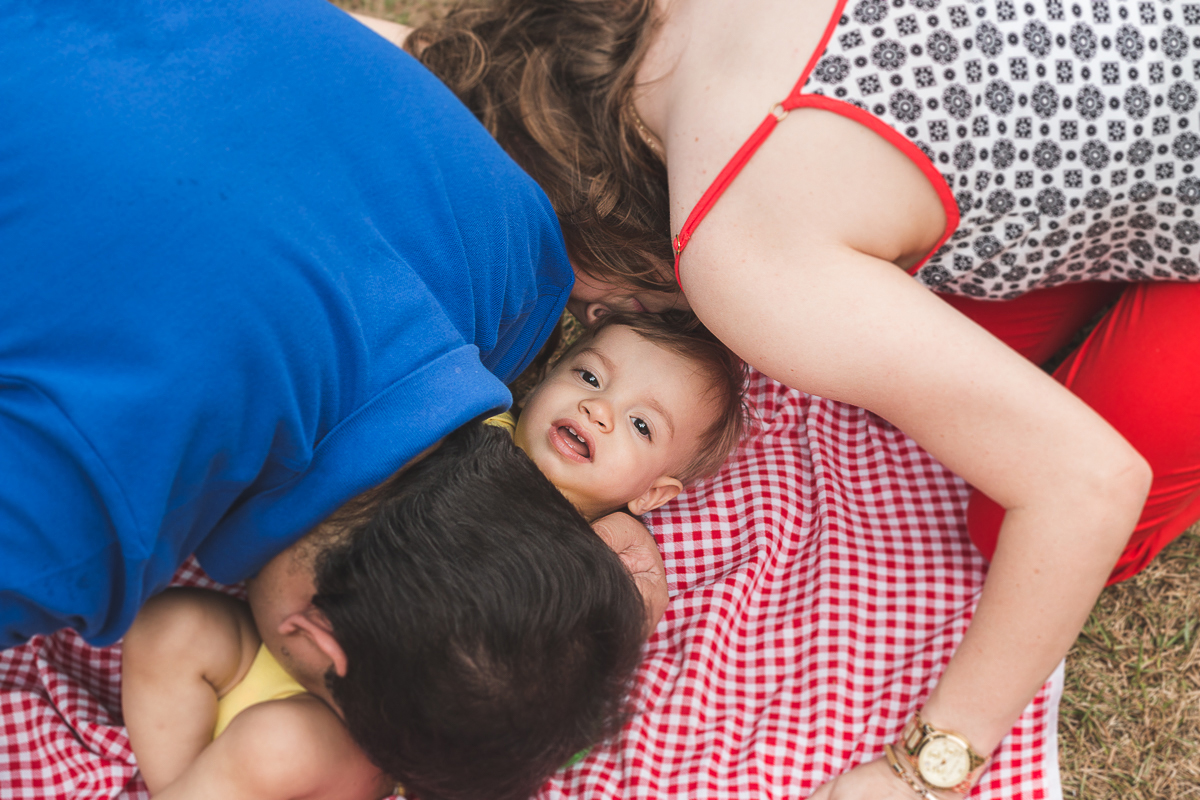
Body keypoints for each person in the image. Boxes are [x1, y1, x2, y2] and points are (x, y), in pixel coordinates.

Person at [404, 1, 1200, 797]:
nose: (592, 314)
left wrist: (922, 770)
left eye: (576, 297)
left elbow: (1090, 484)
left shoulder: (733, 249)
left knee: (1020, 519)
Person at [121, 315, 746, 799]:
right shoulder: (466, 423)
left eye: (641, 426)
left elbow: (554, 714)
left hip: (355, 728)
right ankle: (180, 784)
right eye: (589, 376)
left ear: (653, 494)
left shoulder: (585, 568)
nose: (599, 410)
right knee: (169, 627)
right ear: (548, 373)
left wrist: (634, 608)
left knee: (272, 743)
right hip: (271, 647)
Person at [121, 422, 648, 800]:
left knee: (265, 726)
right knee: (173, 625)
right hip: (349, 693)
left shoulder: (289, 743)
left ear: (316, 631)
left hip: (296, 736)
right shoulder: (497, 722)